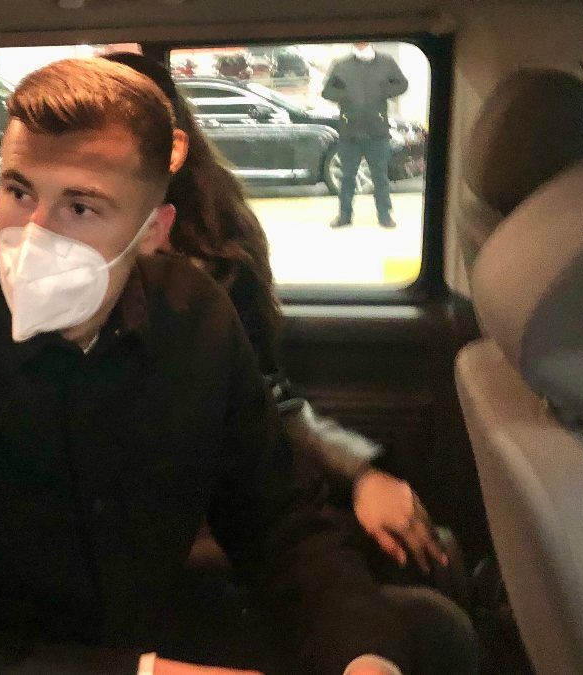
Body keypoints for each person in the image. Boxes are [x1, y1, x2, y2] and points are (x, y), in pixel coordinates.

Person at [0, 57, 475, 675]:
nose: (34, 234)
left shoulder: (196, 318)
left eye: (80, 206)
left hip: (151, 621)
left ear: (153, 230)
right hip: (1, 658)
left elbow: (281, 518)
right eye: (18, 191)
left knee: (426, 636)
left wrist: (360, 654)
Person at [103, 51, 446, 578]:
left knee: (411, 555)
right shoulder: (35, 264)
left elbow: (262, 392)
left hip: (206, 488)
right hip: (102, 505)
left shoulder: (217, 245)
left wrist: (361, 473)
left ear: (171, 147)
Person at [321, 43, 408, 229]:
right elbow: (327, 92)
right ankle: (344, 216)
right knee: (347, 177)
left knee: (380, 176)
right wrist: (346, 94)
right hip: (349, 131)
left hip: (377, 130)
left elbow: (402, 84)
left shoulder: (385, 62)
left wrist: (382, 91)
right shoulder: (341, 65)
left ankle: (384, 215)